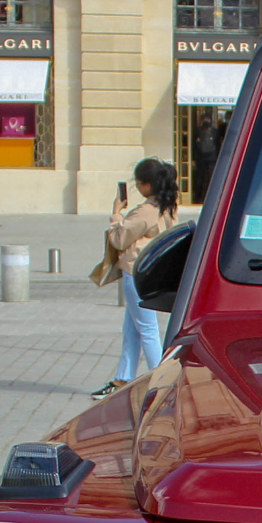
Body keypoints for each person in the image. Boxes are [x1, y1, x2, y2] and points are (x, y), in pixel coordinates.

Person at [90, 157, 180, 400]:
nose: (137, 188)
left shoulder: (145, 212)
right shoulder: (166, 206)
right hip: (148, 273)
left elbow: (119, 239)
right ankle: (124, 378)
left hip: (135, 273)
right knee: (132, 328)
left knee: (147, 329)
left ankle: (161, 382)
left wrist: (116, 213)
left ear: (147, 186)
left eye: (139, 183)